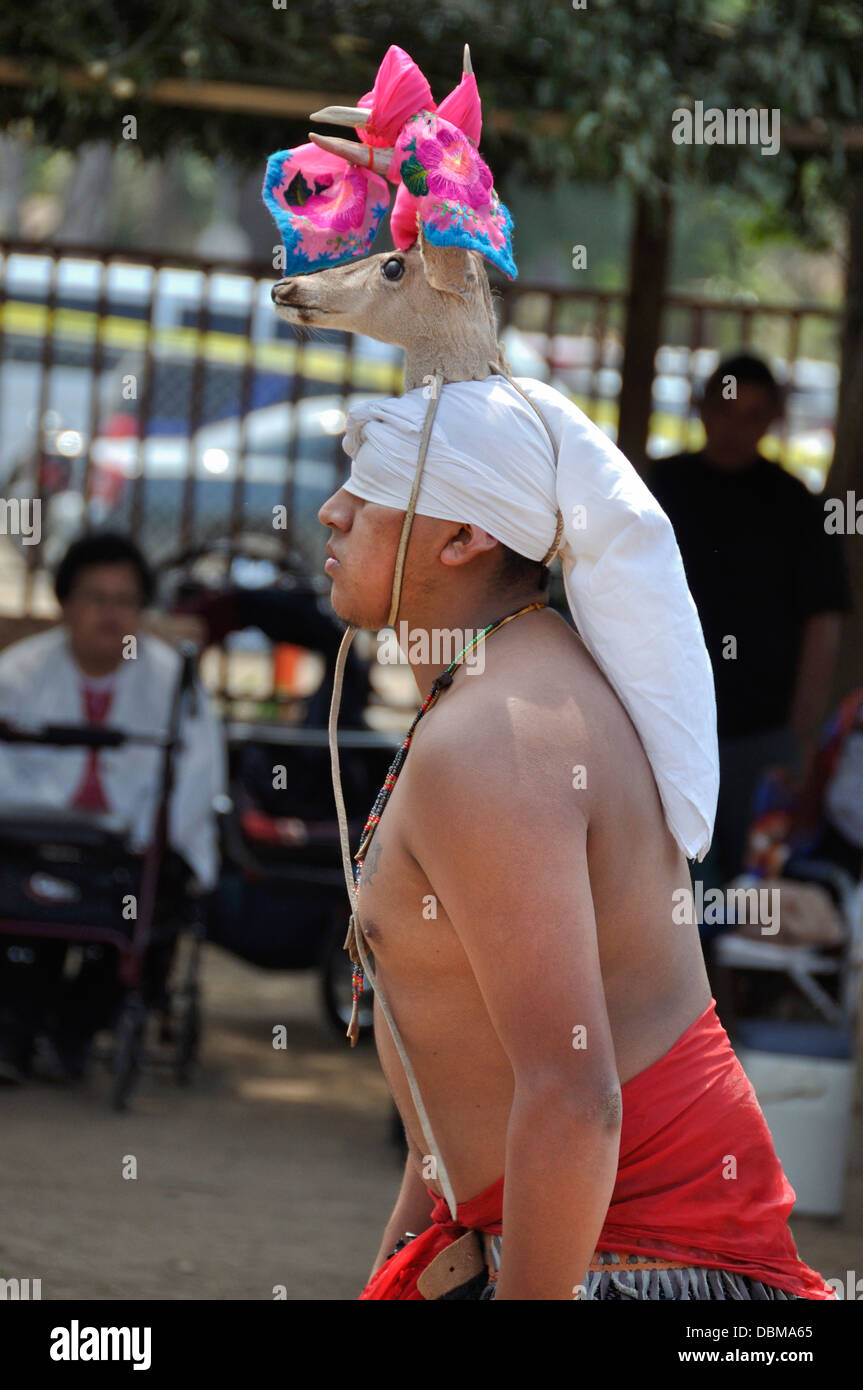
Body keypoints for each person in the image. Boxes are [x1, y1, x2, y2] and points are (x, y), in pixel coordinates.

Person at [318, 371, 836, 1301]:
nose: (331, 511)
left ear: (463, 538)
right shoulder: (506, 687)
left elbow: (574, 1100)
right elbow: (462, 1075)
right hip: (566, 1246)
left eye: (371, 492)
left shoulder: (497, 736)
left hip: (641, 1270)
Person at [0, 533, 226, 1084]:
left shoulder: (173, 680)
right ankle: (13, 1037)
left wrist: (144, 840)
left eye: (124, 600)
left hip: (133, 853)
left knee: (145, 913)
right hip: (34, 846)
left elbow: (198, 777)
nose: (109, 614)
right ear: (66, 604)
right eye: (94, 598)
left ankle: (74, 1035)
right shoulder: (17, 674)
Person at [650, 354, 853, 888]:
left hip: (762, 733)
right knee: (664, 885)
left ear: (772, 421)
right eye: (728, 410)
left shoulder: (797, 505)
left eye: (755, 415)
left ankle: (737, 977)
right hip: (662, 724)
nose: (739, 428)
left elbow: (823, 620)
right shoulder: (657, 490)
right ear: (702, 409)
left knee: (759, 892)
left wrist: (801, 732)